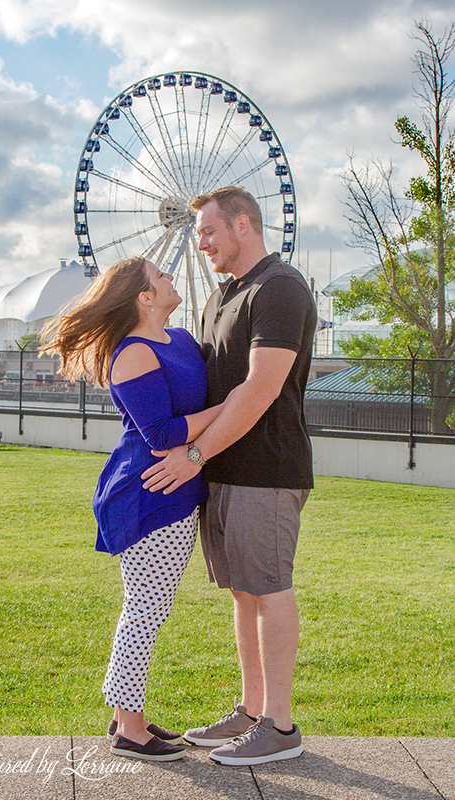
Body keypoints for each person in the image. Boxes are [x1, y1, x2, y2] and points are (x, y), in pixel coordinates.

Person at [141, 187, 318, 766]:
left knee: (269, 588)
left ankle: (280, 725)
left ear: (244, 225)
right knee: (244, 592)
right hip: (225, 470)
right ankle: (250, 711)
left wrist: (193, 455)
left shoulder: (280, 289)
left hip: (267, 469)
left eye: (210, 232)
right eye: (198, 234)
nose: (203, 244)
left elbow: (262, 387)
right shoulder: (220, 298)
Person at [42, 256, 230, 762]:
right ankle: (128, 726)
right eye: (161, 276)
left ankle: (129, 714)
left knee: (151, 608)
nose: (171, 278)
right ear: (145, 297)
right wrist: (231, 410)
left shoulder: (183, 341)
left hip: (177, 490)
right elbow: (162, 433)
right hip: (148, 496)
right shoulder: (132, 355)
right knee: (144, 610)